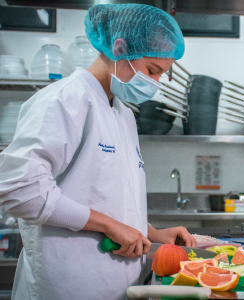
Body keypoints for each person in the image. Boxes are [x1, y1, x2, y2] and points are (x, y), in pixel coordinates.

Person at [0, 4, 196, 300]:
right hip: (68, 286)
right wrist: (108, 225)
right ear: (120, 48)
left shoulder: (122, 113)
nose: (154, 84)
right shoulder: (63, 100)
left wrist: (152, 233)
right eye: (152, 71)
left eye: (161, 76)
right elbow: (21, 191)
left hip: (119, 286)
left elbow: (106, 198)